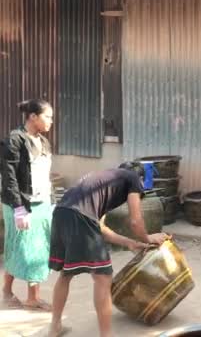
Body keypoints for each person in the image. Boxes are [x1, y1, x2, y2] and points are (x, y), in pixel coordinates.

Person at [47, 162, 170, 337]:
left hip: (60, 213)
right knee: (103, 277)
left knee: (66, 274)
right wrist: (147, 238)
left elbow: (100, 228)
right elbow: (135, 221)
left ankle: (55, 327)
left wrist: (129, 243)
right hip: (79, 216)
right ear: (141, 180)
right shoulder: (133, 178)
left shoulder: (103, 180)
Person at [0, 99, 55, 311]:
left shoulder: (43, 141)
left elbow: (45, 174)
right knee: (18, 247)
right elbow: (9, 177)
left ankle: (31, 297)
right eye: (47, 116)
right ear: (33, 117)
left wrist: (52, 202)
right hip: (21, 205)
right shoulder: (14, 140)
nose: (51, 121)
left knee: (40, 249)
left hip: (42, 203)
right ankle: (8, 291)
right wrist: (18, 208)